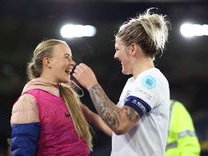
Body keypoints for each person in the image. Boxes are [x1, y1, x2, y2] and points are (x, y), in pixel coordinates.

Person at [73, 8, 171, 156]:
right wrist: (85, 112)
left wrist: (92, 85)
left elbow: (120, 124)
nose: (115, 55)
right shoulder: (133, 82)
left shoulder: (151, 80)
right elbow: (114, 128)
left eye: (118, 49)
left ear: (132, 49)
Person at [10, 39, 96, 155]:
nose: (72, 62)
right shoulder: (29, 101)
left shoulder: (67, 97)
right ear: (48, 62)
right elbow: (22, 152)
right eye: (66, 57)